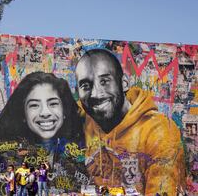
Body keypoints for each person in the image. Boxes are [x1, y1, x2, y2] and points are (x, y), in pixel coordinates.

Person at [75, 48, 185, 195]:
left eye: (105, 81)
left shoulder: (160, 132)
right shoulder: (83, 114)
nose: (95, 93)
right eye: (85, 86)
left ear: (124, 83)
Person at [0, 71, 84, 145]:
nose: (45, 112)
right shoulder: (6, 156)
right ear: (23, 114)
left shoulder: (85, 152)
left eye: (53, 103)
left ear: (65, 110)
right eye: (34, 105)